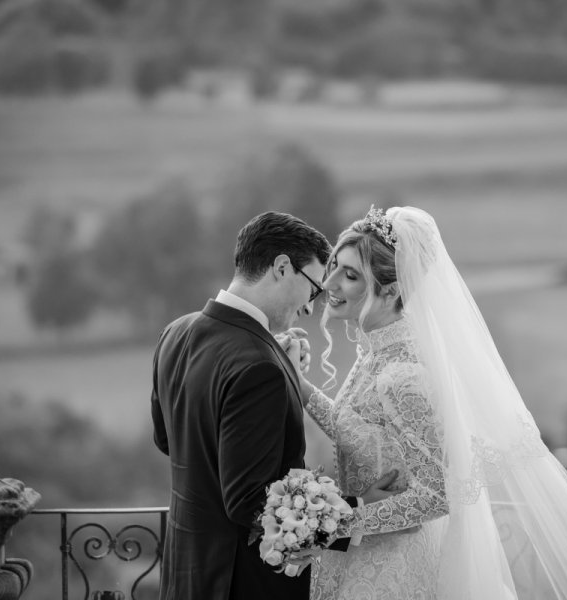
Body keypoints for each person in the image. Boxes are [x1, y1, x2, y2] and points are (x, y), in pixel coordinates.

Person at [294, 206, 567, 599]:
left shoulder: (402, 375)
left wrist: (344, 519)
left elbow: (439, 494)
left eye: (349, 274)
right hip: (358, 553)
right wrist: (299, 385)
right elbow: (353, 425)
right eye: (334, 266)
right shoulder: (375, 352)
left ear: (389, 290)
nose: (330, 282)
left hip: (393, 569)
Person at [150, 211, 395, 600]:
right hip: (241, 583)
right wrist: (357, 509)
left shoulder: (176, 333)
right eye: (313, 288)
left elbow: (170, 440)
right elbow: (250, 502)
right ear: (282, 267)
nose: (310, 308)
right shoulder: (259, 366)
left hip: (184, 573)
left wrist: (283, 374)